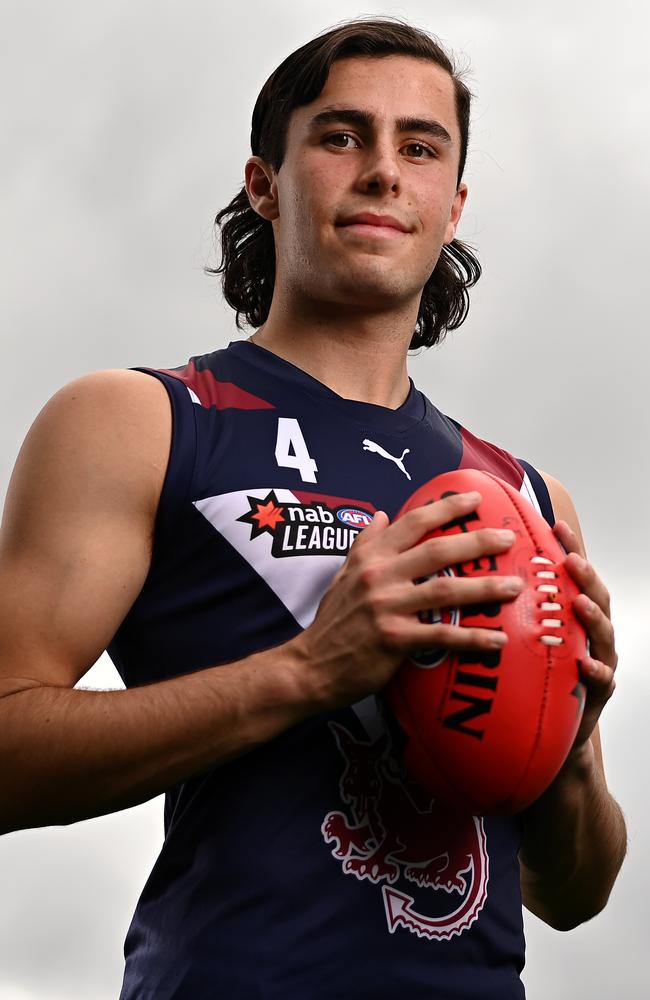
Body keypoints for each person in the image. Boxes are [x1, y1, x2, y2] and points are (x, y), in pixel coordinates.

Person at [0, 17, 626, 999]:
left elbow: (574, 891)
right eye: (340, 136)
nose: (383, 170)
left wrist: (567, 762)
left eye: (419, 147)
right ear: (264, 184)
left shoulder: (529, 497)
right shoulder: (139, 419)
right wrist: (307, 670)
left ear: (451, 204)